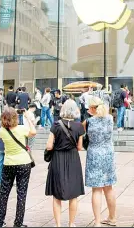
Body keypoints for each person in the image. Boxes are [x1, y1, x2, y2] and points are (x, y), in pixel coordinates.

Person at [45, 100, 85, 227]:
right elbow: (80, 147)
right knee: (73, 193)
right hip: (73, 158)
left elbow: (49, 146)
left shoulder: (56, 125)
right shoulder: (79, 126)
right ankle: (71, 223)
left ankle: (58, 224)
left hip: (58, 159)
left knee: (57, 194)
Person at [0, 107, 36, 228]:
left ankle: (0, 222)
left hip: (8, 163)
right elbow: (33, 132)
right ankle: (18, 223)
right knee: (21, 193)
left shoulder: (2, 131)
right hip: (24, 163)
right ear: (15, 118)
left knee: (3, 193)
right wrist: (28, 118)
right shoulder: (22, 129)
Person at [85, 97, 117, 227]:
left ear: (92, 108)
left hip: (94, 154)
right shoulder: (110, 119)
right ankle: (112, 218)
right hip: (108, 153)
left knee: (96, 189)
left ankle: (97, 222)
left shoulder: (88, 122)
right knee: (109, 187)